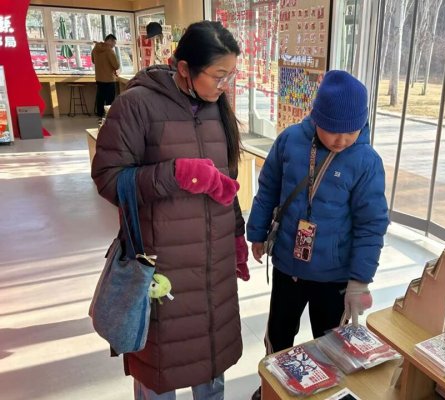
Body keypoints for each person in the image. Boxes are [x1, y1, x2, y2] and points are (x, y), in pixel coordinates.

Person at [91, 21, 249, 400]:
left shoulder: (217, 107)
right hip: (162, 268)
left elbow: (226, 182)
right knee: (159, 372)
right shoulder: (137, 105)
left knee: (211, 366)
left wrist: (237, 234)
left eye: (231, 75)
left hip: (214, 266)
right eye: (219, 75)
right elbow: (109, 178)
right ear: (184, 68)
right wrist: (174, 174)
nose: (225, 85)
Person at [246, 70, 389, 399]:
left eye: (351, 131)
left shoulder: (366, 161)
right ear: (317, 117)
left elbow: (371, 224)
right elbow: (268, 189)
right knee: (279, 335)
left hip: (333, 275)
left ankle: (325, 394)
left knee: (331, 345)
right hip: (288, 266)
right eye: (333, 130)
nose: (342, 139)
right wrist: (257, 233)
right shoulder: (289, 141)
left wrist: (359, 281)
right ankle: (271, 389)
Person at [92, 34, 119, 121]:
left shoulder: (95, 49)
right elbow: (116, 65)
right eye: (114, 42)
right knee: (110, 99)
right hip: (109, 79)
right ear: (110, 41)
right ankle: (109, 117)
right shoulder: (109, 50)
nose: (114, 45)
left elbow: (93, 61)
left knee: (100, 98)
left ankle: (100, 116)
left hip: (99, 78)